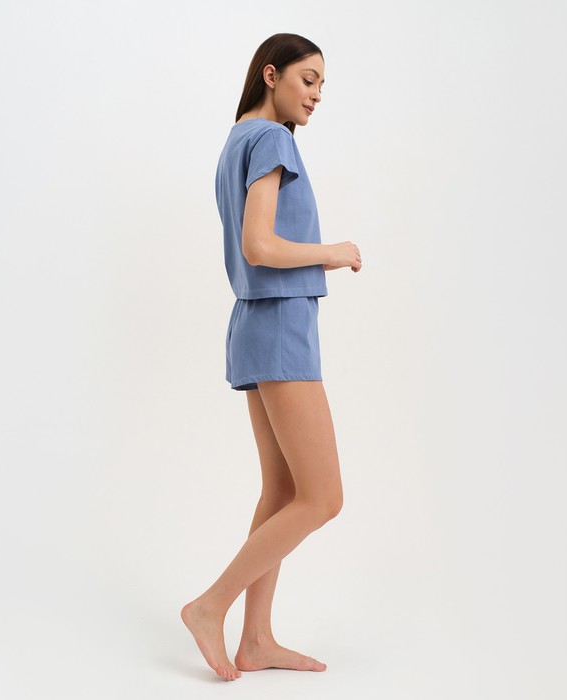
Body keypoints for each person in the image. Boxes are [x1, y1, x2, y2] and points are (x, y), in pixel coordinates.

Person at [181, 32, 362, 682]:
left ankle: (255, 639)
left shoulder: (236, 141)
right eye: (307, 80)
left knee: (284, 491)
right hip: (281, 325)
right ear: (271, 74)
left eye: (322, 86)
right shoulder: (272, 140)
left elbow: (249, 247)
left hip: (254, 325)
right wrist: (333, 252)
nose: (316, 96)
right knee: (323, 497)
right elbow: (258, 245)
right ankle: (211, 606)